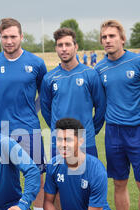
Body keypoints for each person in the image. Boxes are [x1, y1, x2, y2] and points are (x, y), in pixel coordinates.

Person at [94, 20, 140, 210]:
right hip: (113, 133)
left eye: (111, 36)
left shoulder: (139, 62)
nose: (107, 40)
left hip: (139, 130)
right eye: (104, 37)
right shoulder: (99, 69)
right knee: (119, 182)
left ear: (122, 39)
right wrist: (93, 129)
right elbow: (99, 104)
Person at [0, 18, 47, 210]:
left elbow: (43, 95)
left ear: (21, 36)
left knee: (37, 174)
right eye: (5, 37)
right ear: (0, 37)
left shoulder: (36, 63)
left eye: (13, 36)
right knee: (4, 177)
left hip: (30, 128)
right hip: (1, 130)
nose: (9, 41)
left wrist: (32, 110)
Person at [40, 27, 106, 160]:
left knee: (87, 179)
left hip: (85, 141)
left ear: (75, 46)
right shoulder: (49, 78)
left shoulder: (90, 74)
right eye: (60, 45)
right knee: (61, 180)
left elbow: (101, 107)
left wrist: (90, 130)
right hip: (59, 142)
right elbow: (46, 110)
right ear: (56, 49)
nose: (64, 49)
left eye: (68, 44)